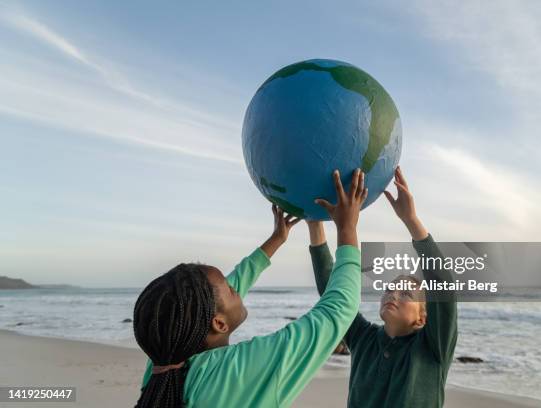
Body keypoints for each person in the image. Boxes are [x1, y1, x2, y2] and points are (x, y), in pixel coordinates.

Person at [134, 169, 368, 408]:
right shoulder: (236, 372)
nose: (235, 286)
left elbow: (214, 298)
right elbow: (338, 308)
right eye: (229, 288)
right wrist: (347, 227)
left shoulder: (162, 366)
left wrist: (276, 239)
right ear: (219, 324)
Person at [307, 166, 458, 408]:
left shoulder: (432, 348)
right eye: (389, 289)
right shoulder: (363, 338)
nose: (393, 295)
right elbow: (333, 295)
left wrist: (411, 220)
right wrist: (315, 222)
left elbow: (443, 287)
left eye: (406, 294)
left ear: (422, 318)